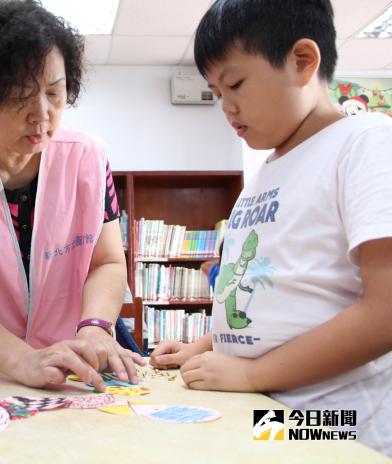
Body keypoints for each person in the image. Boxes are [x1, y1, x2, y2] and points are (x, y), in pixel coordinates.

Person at [151, 0, 392, 455]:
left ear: (302, 61)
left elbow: (387, 311)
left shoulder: (367, 142)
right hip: (268, 409)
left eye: (235, 84)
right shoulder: (265, 173)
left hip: (338, 423)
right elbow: (270, 297)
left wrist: (250, 374)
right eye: (216, 93)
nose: (226, 106)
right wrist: (205, 346)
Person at [0, 0, 144, 391]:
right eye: (20, 97)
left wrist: (94, 327)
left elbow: (106, 261)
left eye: (55, 93)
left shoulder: (90, 159)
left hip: (68, 361)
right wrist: (21, 359)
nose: (42, 115)